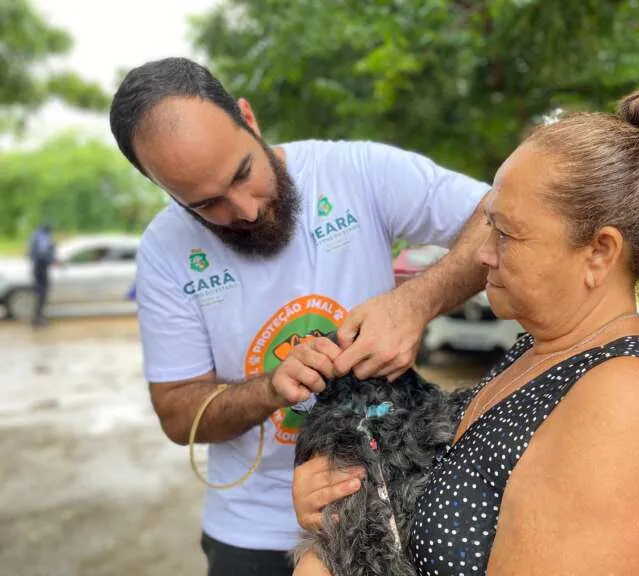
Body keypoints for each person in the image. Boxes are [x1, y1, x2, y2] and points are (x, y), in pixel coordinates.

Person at [292, 89, 639, 575]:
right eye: (489, 226)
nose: (482, 254)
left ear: (599, 252)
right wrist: (343, 507)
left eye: (507, 234)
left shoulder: (630, 401)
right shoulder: (541, 353)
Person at [108, 57, 489, 576]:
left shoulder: (357, 173)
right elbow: (178, 412)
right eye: (205, 204)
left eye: (243, 173)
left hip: (386, 504)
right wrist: (268, 389)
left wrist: (414, 302)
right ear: (164, 188)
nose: (243, 209)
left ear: (248, 117)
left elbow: (501, 219)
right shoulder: (163, 250)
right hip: (250, 533)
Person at [27, 222, 55, 327]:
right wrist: (53, 259)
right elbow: (43, 253)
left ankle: (36, 318)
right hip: (41, 267)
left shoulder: (35, 235)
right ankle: (38, 319)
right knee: (42, 294)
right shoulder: (42, 237)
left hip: (37, 267)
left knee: (40, 294)